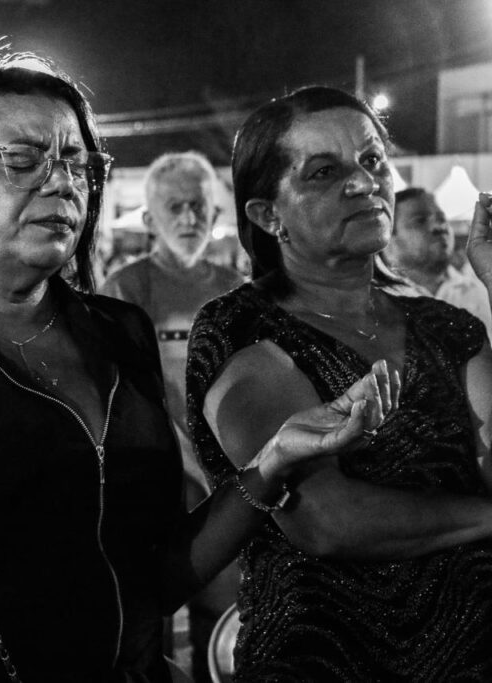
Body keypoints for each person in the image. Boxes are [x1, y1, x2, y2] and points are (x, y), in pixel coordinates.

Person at [0, 54, 392, 682]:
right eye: (22, 161)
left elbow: (151, 578)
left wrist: (272, 465)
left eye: (78, 165)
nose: (60, 183)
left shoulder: (118, 333)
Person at [186, 86, 492, 680]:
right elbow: (328, 519)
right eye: (324, 172)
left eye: (373, 160)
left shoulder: (448, 328)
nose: (362, 183)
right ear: (267, 214)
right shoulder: (242, 329)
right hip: (327, 663)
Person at [99, 151, 243, 681]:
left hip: (224, 490)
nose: (189, 219)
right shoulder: (124, 290)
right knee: (143, 638)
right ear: (149, 219)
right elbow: (128, 397)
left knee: (222, 627)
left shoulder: (236, 289)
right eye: (175, 207)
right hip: (152, 488)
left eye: (198, 206)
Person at [382, 187, 492, 339]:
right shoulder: (379, 299)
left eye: (441, 219)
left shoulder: (480, 290)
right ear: (388, 237)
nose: (439, 227)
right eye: (420, 221)